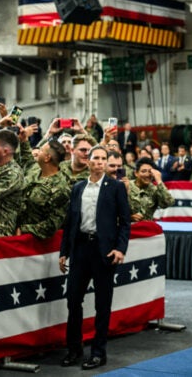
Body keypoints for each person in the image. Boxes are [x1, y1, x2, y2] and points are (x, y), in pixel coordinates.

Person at [58, 146, 130, 370]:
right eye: (95, 158)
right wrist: (64, 252)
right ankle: (74, 350)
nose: (99, 162)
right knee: (73, 300)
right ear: (88, 161)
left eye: (103, 159)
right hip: (80, 248)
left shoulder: (116, 187)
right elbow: (70, 221)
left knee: (102, 304)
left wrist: (120, 249)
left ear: (107, 163)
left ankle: (99, 352)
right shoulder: (78, 187)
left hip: (104, 251)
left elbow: (125, 221)